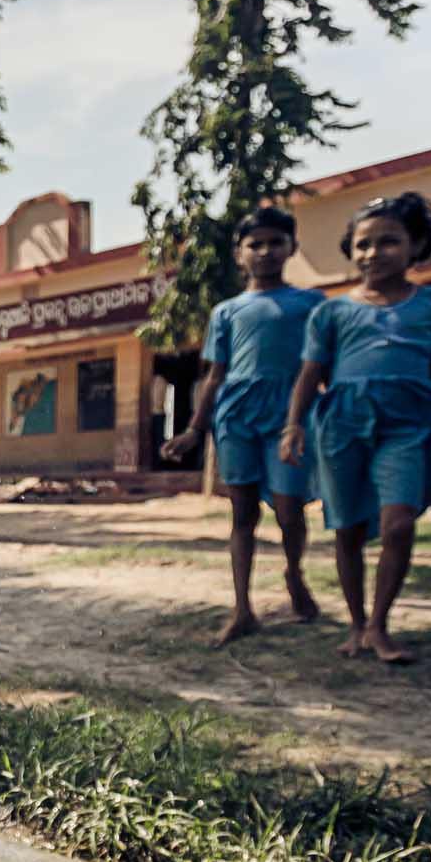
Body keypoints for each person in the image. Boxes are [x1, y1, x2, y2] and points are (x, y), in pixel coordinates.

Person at [280, 193, 431, 666]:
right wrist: (292, 427)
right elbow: (310, 374)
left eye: (388, 241)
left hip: (407, 424)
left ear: (415, 245)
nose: (373, 253)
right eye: (363, 244)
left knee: (399, 524)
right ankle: (357, 625)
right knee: (346, 527)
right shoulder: (332, 312)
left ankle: (381, 625)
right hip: (342, 422)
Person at [163, 206, 325, 647]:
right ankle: (242, 608)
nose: (266, 251)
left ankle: (294, 573)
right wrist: (195, 429)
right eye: (255, 244)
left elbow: (322, 367)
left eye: (276, 242)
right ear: (239, 254)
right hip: (235, 415)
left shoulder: (313, 304)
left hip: (289, 415)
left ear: (292, 247)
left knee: (290, 509)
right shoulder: (226, 312)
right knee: (243, 514)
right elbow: (214, 375)